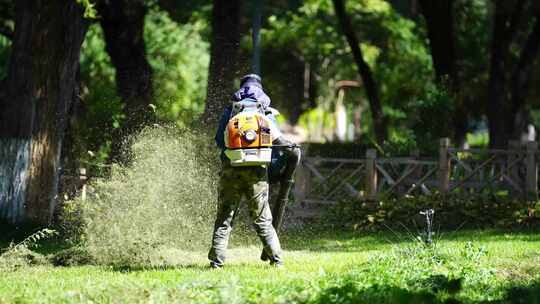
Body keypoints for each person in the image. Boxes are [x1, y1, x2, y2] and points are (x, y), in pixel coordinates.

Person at [209, 74, 286, 268]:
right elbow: (279, 142)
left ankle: (216, 263)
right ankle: (277, 261)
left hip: (230, 169)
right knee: (262, 219)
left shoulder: (231, 110)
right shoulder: (264, 111)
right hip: (257, 173)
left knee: (224, 218)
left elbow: (219, 140)